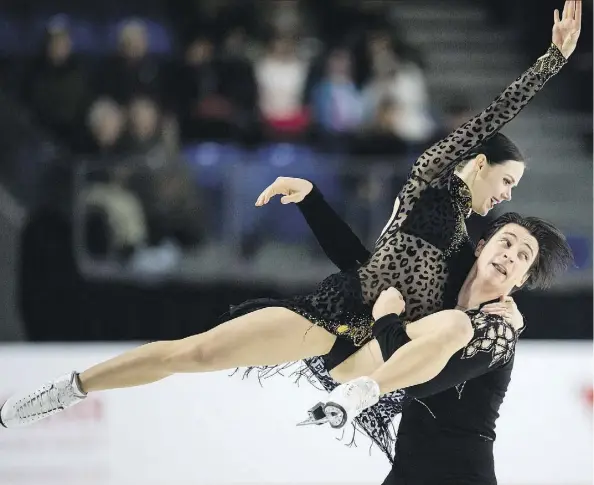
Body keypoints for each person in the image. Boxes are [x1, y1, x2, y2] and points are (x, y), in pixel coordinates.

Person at [0, 3, 579, 450]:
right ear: (479, 162)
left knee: (442, 340)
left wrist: (500, 312)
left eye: (515, 192)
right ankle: (67, 389)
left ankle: (358, 404)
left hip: (383, 346)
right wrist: (551, 60)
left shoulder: (468, 244)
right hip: (341, 310)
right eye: (508, 180)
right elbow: (365, 266)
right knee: (195, 353)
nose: (508, 194)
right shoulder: (433, 180)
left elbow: (453, 302)